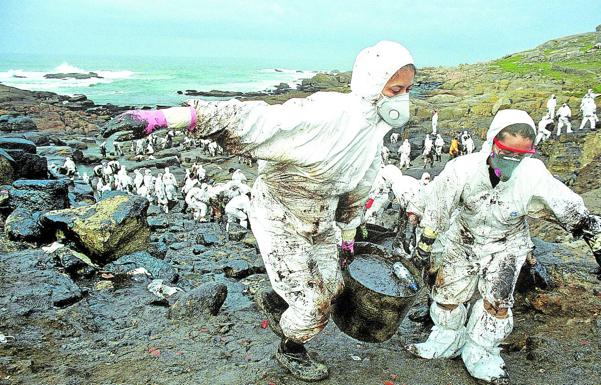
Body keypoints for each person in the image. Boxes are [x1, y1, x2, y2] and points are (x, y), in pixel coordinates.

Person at [106, 41, 415, 381]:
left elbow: (359, 188)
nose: (401, 99)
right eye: (395, 89)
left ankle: (278, 299)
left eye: (407, 90)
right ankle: (291, 349)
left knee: (334, 286)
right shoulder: (328, 114)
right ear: (372, 83)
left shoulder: (373, 133)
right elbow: (257, 120)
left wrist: (347, 235)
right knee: (314, 308)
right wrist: (165, 118)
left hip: (319, 217)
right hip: (279, 214)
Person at [404, 109, 601, 384]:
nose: (513, 159)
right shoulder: (463, 169)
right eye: (506, 151)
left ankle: (482, 351)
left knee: (497, 302)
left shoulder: (533, 175)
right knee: (447, 294)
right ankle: (446, 339)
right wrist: (425, 242)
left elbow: (567, 206)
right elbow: (437, 202)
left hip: (507, 244)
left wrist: (597, 242)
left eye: (522, 154)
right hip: (463, 238)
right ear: (493, 141)